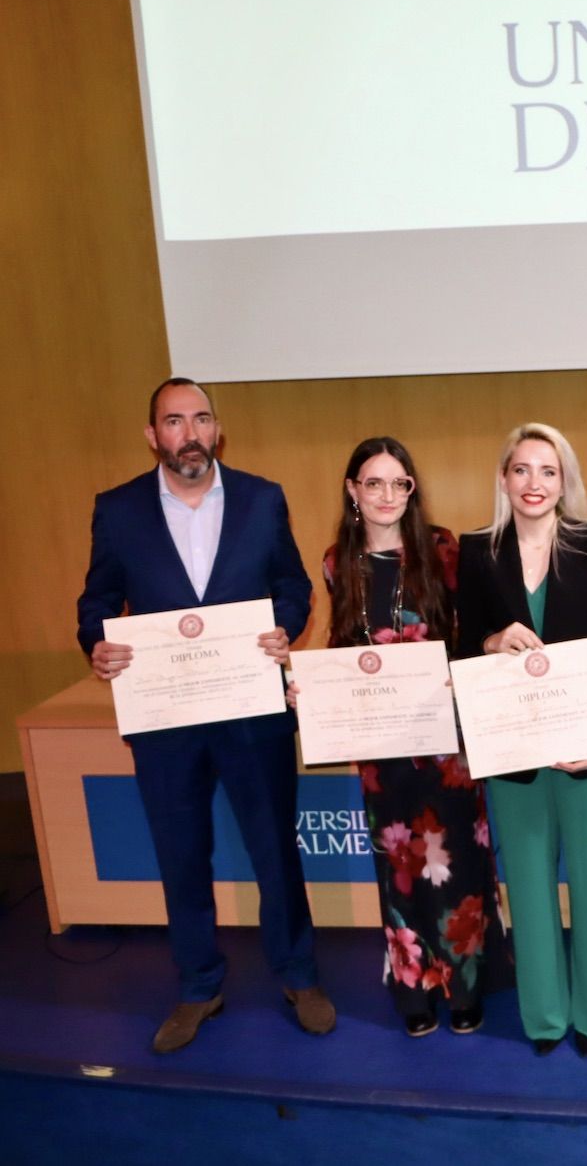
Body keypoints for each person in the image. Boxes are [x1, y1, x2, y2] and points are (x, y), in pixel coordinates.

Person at [76, 377, 334, 1053]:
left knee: (276, 849)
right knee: (180, 854)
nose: (189, 433)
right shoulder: (119, 508)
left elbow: (293, 583)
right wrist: (96, 646)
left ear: (218, 429)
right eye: (173, 421)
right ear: (152, 434)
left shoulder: (261, 497)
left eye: (201, 419)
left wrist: (285, 624)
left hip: (252, 711)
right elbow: (97, 596)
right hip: (164, 720)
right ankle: (198, 985)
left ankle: (299, 974)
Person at [310, 437, 509, 1037]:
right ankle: (414, 989)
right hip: (381, 748)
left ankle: (467, 985)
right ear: (353, 491)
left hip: (445, 745)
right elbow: (342, 649)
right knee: (400, 870)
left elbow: (470, 637)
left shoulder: (443, 552)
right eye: (374, 483)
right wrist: (312, 689)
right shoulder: (335, 563)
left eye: (399, 484)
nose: (387, 496)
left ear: (412, 490)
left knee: (457, 866)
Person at [455, 423, 587, 1057]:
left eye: (548, 471)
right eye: (522, 470)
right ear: (504, 478)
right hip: (514, 750)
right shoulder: (476, 552)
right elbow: (459, 646)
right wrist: (488, 642)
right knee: (528, 886)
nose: (534, 483)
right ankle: (545, 1019)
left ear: (566, 481)